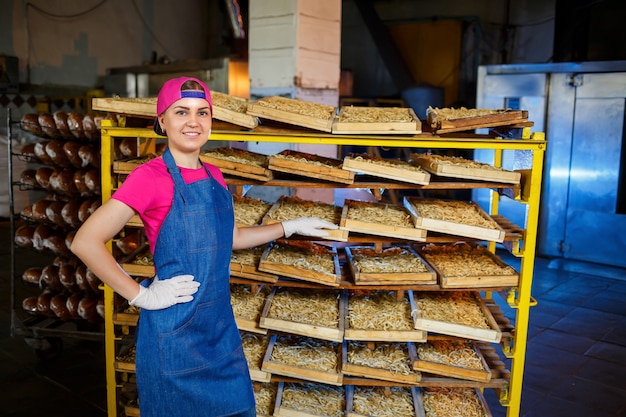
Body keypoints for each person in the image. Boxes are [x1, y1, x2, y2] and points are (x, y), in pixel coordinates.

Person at [71, 76, 337, 417]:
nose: (193, 122)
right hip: (174, 333)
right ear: (162, 121)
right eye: (181, 112)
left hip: (218, 331)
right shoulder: (149, 177)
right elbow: (86, 241)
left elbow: (231, 239)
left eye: (203, 112)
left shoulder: (214, 174)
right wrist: (141, 295)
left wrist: (288, 227)